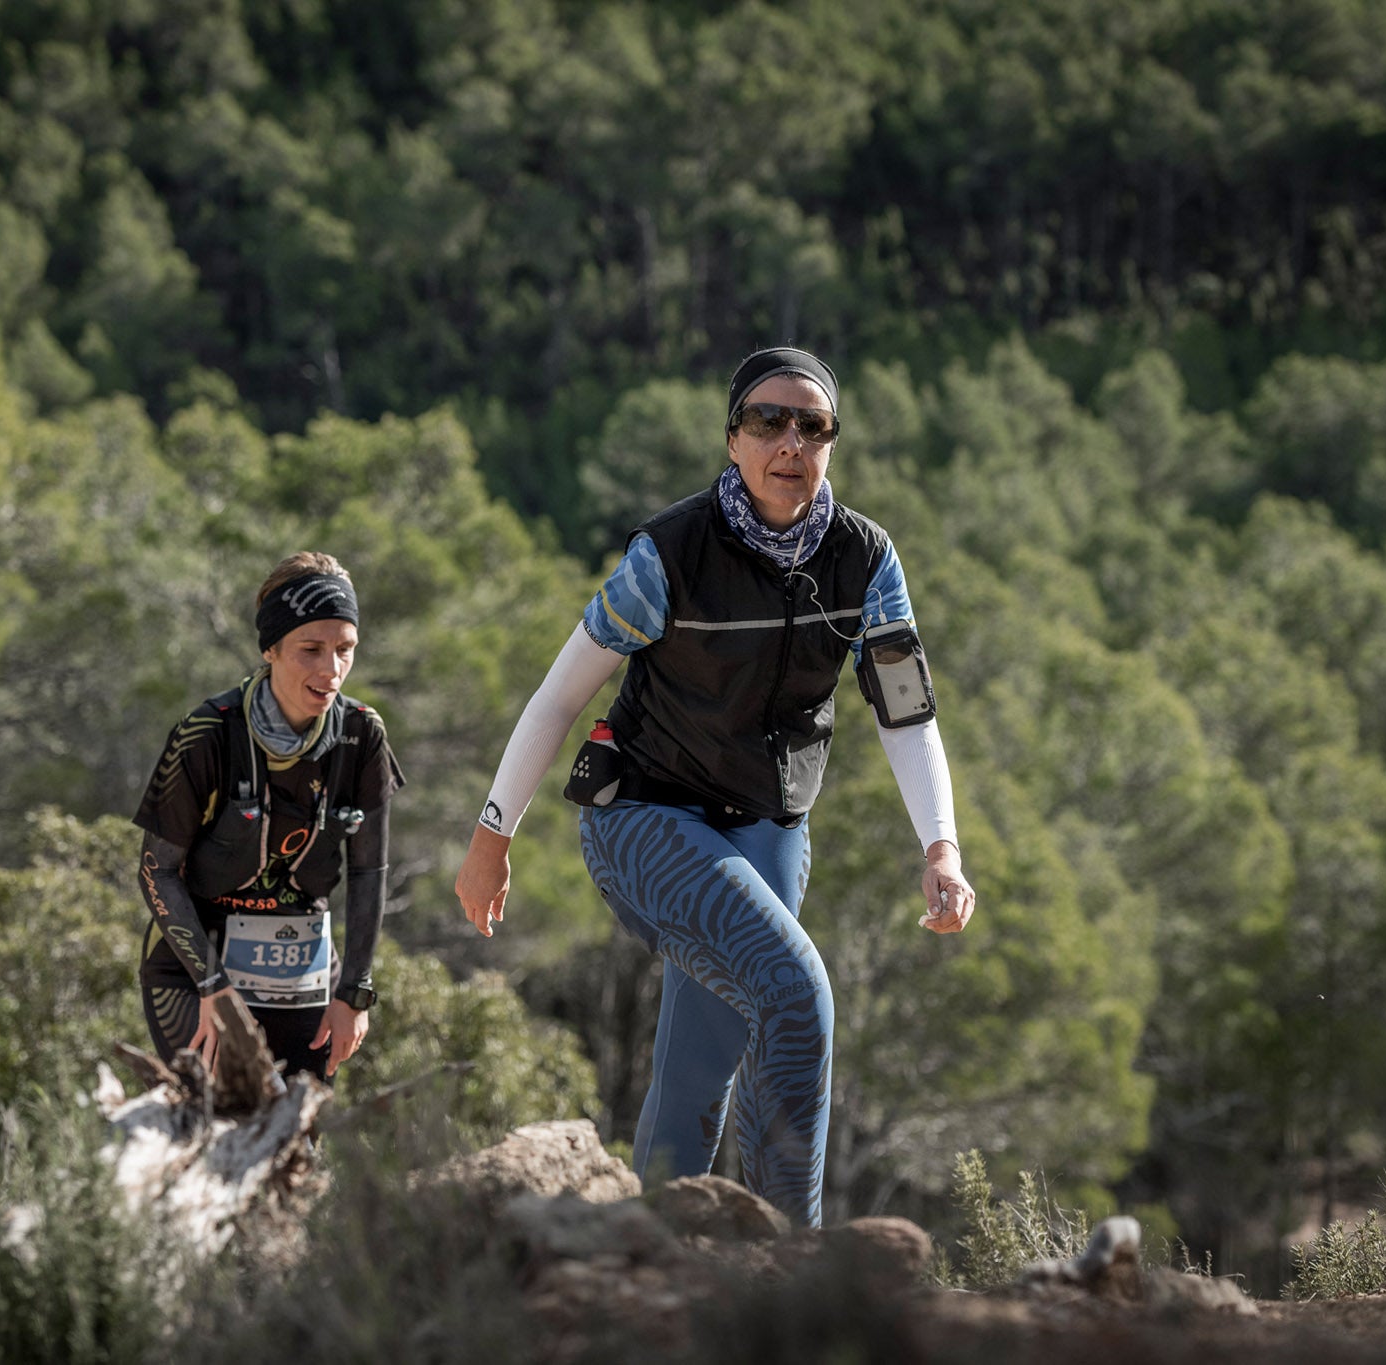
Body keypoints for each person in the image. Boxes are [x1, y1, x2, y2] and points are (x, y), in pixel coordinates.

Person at [455, 346, 976, 1227]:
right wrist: (491, 837)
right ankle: (793, 1272)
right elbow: (557, 698)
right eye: (768, 421)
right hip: (645, 820)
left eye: (812, 426)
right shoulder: (669, 553)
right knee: (798, 991)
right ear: (732, 439)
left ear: (831, 447)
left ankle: (656, 1253)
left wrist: (942, 848)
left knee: (700, 1064)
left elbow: (905, 715)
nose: (790, 441)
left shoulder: (865, 560)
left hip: (771, 826)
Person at [132, 552, 404, 1085]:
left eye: (344, 650)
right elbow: (155, 870)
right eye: (311, 650)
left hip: (303, 974)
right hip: (194, 974)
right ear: (271, 649)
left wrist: (354, 992)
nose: (331, 670)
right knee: (217, 1134)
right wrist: (213, 985)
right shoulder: (207, 734)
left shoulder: (362, 736)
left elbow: (370, 871)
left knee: (296, 1146)